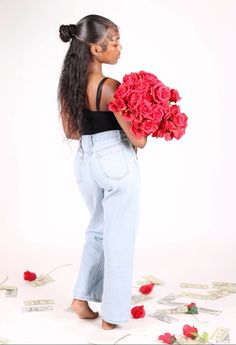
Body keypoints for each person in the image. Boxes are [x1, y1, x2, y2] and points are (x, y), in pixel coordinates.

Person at [57, 14, 147, 330]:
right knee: (119, 237)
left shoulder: (71, 83)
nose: (120, 48)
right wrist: (148, 116)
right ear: (96, 49)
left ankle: (81, 298)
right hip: (115, 161)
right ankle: (112, 314)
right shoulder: (110, 87)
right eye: (115, 42)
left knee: (98, 229)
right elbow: (138, 139)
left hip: (86, 161)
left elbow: (71, 131)